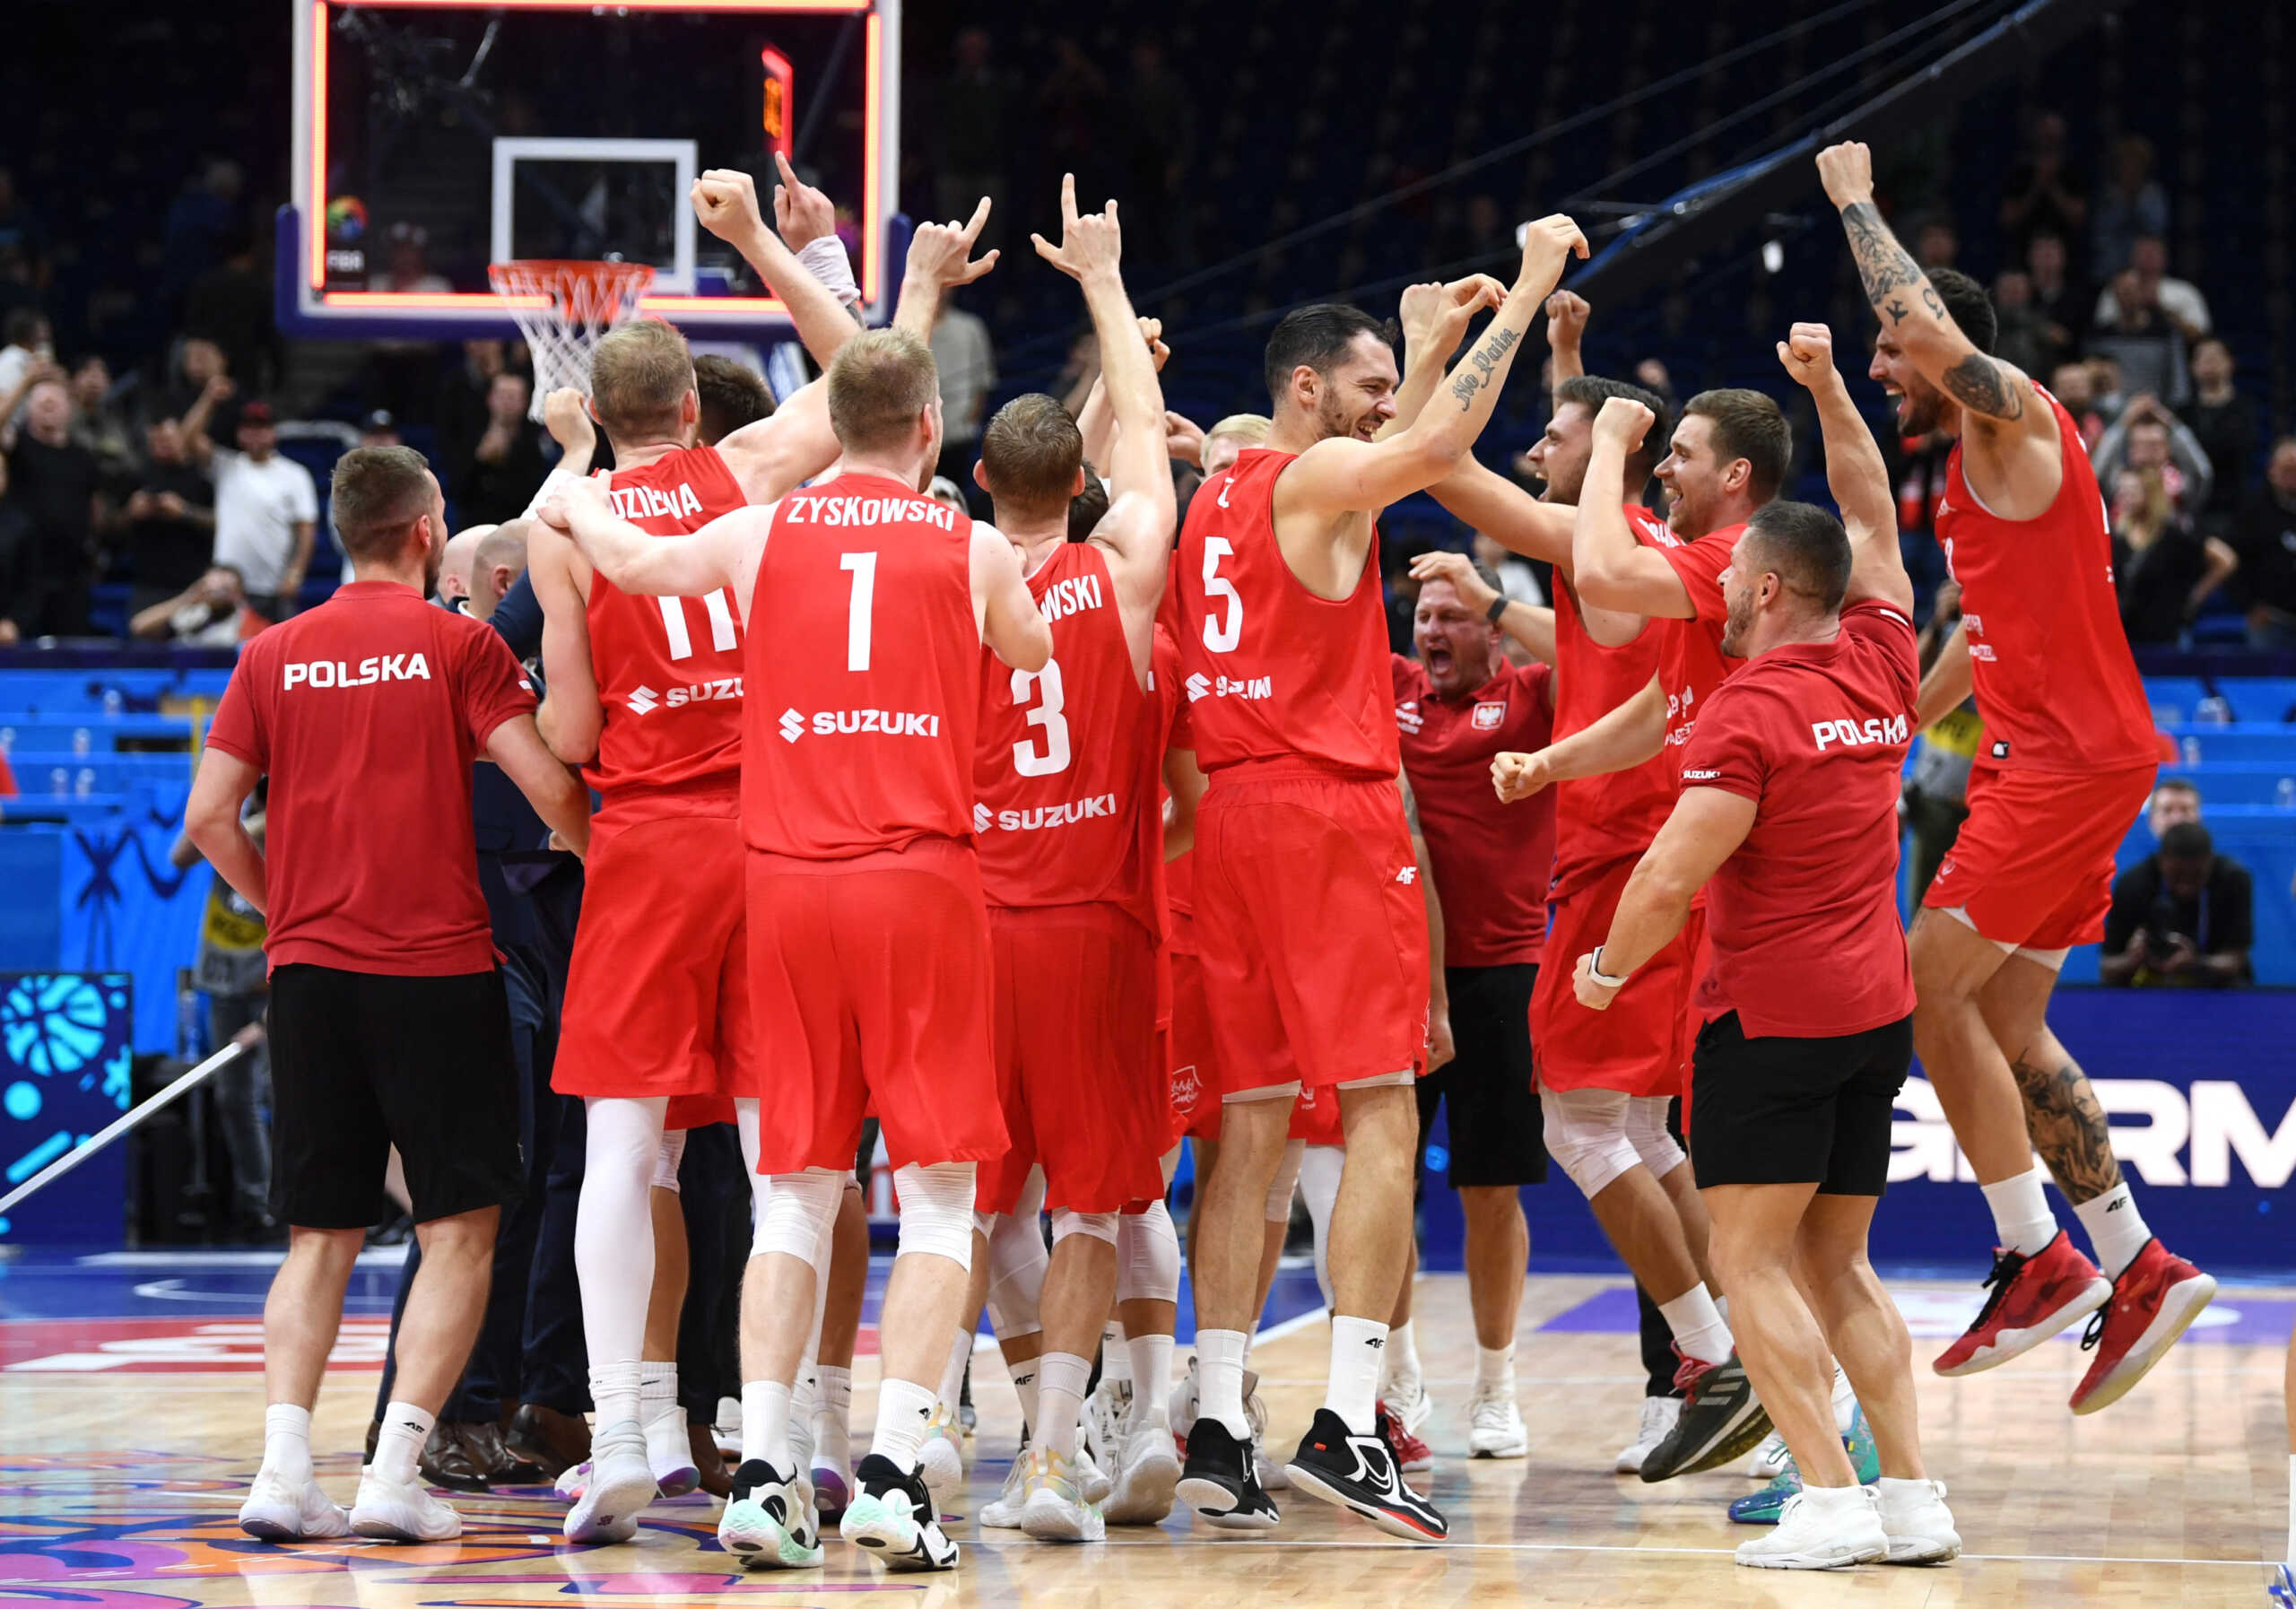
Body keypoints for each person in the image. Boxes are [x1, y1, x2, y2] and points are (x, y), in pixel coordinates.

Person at [547, 313, 1050, 1575]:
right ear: (932, 428)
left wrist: (572, 483)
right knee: (940, 1197)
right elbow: (1033, 649)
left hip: (784, 882)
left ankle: (765, 1471)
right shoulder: (970, 541)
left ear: (838, 428)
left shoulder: (760, 529)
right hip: (917, 878)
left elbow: (633, 558)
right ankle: (889, 1468)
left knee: (792, 1187)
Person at [1167, 214, 1583, 1544]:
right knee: (1385, 1109)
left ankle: (1219, 1425)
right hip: (1324, 817)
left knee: (1250, 1130)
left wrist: (1418, 343)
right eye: (1357, 387)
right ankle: (1350, 1422)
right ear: (1306, 391)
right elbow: (1432, 448)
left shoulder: (1219, 484)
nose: (1372, 411)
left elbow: (1398, 430)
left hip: (1225, 819)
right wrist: (1523, 290)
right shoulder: (1309, 475)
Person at [1821, 138, 2215, 1413]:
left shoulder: (2020, 422)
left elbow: (1924, 325)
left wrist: (1857, 202)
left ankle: (2032, 1254)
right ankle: (2134, 1261)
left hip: (2061, 767)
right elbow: (1973, 643)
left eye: (1890, 355)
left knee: (1919, 991)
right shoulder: (1970, 490)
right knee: (2002, 1023)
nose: (1884, 369)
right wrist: (1891, 725)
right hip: (2046, 761)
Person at [1573, 321, 1956, 1571]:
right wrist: (1834, 389)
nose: (1719, 588)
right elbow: (1867, 506)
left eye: (1736, 578)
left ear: (1771, 588)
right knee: (1840, 1259)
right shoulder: (1888, 660)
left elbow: (1669, 874)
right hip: (1874, 1015)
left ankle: (1832, 1501)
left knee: (1745, 1264)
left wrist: (1605, 970)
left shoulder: (1751, 712)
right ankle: (1911, 1499)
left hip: (1773, 1021)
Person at [188, 444, 589, 1547]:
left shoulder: (273, 653)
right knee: (463, 1227)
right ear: (426, 531)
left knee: (318, 1236)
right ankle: (397, 1469)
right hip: (435, 970)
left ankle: (281, 1472)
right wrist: (611, 855)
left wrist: (286, 913)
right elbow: (546, 779)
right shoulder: (458, 644)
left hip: (310, 974)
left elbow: (210, 817)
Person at [962, 179, 1178, 1541]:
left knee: (980, 1209)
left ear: (981, 482)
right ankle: (1054, 1461)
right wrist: (1105, 286)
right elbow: (1151, 452)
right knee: (1097, 1203)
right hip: (1099, 922)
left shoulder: (945, 575)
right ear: (1082, 487)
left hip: (976, 920)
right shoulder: (1123, 569)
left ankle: (945, 1439)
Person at [1388, 547, 1555, 1459]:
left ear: (1490, 626)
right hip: (1401, 974)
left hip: (1504, 976)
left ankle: (1496, 1386)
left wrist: (1492, 595)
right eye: (1422, 619)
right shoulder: (1394, 690)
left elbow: (1603, 660)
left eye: (1449, 617)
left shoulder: (1532, 694)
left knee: (1491, 1192)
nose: (1431, 631)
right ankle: (1399, 1379)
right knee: (1389, 1187)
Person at [195, 400, 317, 622]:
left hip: (272, 585)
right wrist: (210, 398)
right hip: (226, 587)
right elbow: (189, 440)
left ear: (272, 432)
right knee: (222, 651)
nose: (255, 434)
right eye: (249, 428)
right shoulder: (226, 466)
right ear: (240, 433)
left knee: (274, 651)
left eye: (262, 428)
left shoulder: (294, 474)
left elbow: (306, 529)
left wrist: (296, 572)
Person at [2, 368, 99, 635]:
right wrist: (25, 383)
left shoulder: (82, 457)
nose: (48, 405)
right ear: (28, 409)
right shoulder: (17, 447)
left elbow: (93, 508)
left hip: (71, 574)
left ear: (69, 409)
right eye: (41, 401)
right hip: (24, 575)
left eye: (55, 401)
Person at [2100, 821, 2253, 988]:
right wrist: (2132, 959)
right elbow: (2108, 967)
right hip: (2146, 987)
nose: (2186, 887)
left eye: (2196, 876)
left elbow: (2235, 962)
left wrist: (2196, 963)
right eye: (2177, 876)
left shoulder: (2232, 880)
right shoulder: (2133, 885)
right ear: (2161, 862)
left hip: (2212, 989)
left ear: (2210, 863)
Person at [2109, 465, 2236, 644]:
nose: (2123, 497)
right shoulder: (2117, 536)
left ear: (2151, 494)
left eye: (2131, 491)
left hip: (2165, 635)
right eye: (2121, 490)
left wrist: (2194, 598)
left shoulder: (2174, 536)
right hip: (2125, 634)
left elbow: (2226, 560)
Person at [2231, 437, 2296, 651]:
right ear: (2272, 471)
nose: (2292, 477)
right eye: (2287, 469)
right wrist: (2249, 606)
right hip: (2270, 620)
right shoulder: (2253, 511)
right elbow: (2235, 562)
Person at [128, 563, 254, 646]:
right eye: (211, 589)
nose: (217, 594)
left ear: (239, 593)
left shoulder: (249, 622)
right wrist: (186, 599)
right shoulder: (196, 614)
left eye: (225, 589)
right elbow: (138, 626)